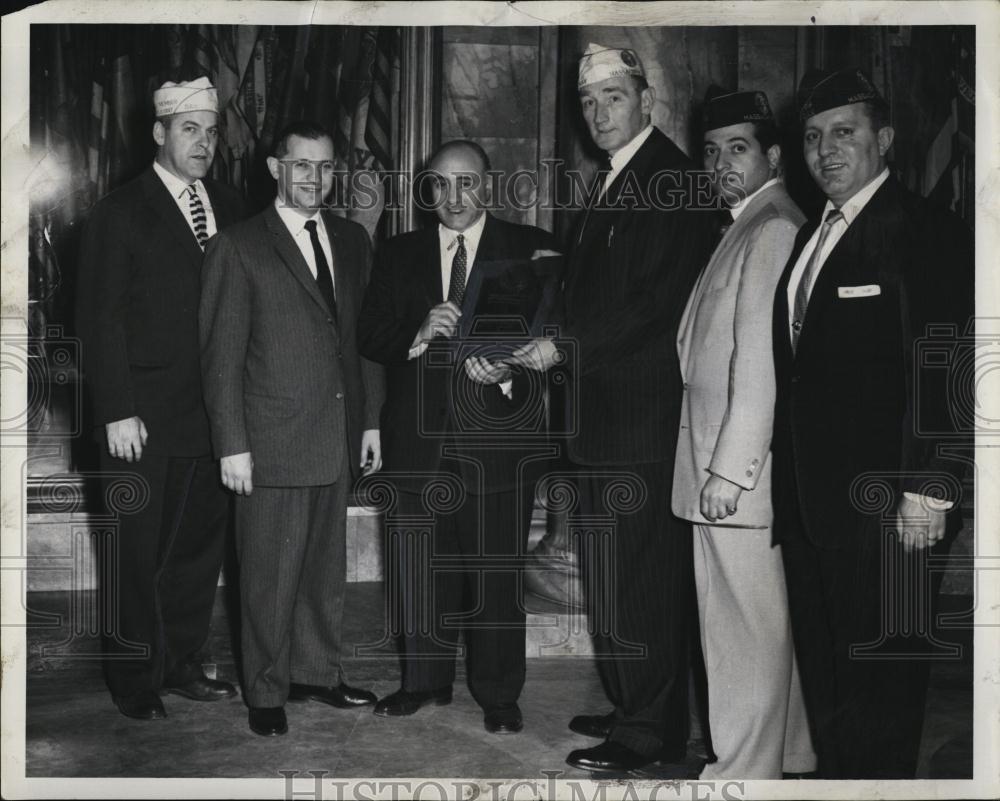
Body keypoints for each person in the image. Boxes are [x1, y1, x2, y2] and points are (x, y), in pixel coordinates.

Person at [511, 44, 714, 772]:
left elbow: (651, 305)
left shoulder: (673, 182)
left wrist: (561, 347)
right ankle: (637, 704)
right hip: (603, 421)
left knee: (641, 581)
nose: (599, 113)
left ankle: (648, 731)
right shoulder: (615, 179)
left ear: (646, 100)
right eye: (589, 102)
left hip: (639, 422)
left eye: (614, 98)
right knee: (614, 577)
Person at [771, 68, 973, 778]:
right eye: (813, 137)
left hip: (893, 506)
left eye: (845, 133)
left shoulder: (925, 230)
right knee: (830, 681)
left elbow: (949, 361)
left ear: (883, 140)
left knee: (884, 688)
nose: (826, 150)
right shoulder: (811, 237)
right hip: (813, 504)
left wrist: (936, 484)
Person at [357, 140, 557, 734]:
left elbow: (557, 326)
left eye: (465, 182)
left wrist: (515, 363)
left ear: (487, 187)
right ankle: (423, 681)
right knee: (418, 566)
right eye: (439, 185)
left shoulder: (528, 247)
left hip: (498, 441)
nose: (452, 197)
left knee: (496, 572)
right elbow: (370, 335)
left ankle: (498, 693)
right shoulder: (397, 253)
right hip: (418, 442)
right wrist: (417, 331)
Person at [199, 120, 385, 737]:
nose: (315, 178)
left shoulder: (354, 240)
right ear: (275, 169)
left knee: (324, 569)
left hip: (335, 432)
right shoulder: (239, 245)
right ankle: (266, 689)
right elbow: (221, 356)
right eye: (302, 165)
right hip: (270, 440)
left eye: (326, 166)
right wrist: (233, 444)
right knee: (268, 575)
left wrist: (371, 423)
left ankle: (316, 673)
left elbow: (361, 343)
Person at [76, 77, 244, 720]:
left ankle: (179, 664)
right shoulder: (119, 212)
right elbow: (99, 318)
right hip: (140, 420)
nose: (204, 142)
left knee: (197, 553)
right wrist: (116, 408)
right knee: (135, 553)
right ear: (159, 134)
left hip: (215, 418)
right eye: (189, 129)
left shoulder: (231, 204)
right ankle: (134, 681)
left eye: (211, 129)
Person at [671, 85, 815, 779]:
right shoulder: (745, 221)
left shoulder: (773, 226)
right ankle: (784, 753)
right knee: (758, 621)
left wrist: (730, 470)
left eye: (738, 148)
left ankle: (741, 775)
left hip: (732, 473)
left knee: (741, 629)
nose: (721, 162)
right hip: (718, 460)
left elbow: (760, 362)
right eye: (711, 151)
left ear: (774, 155)